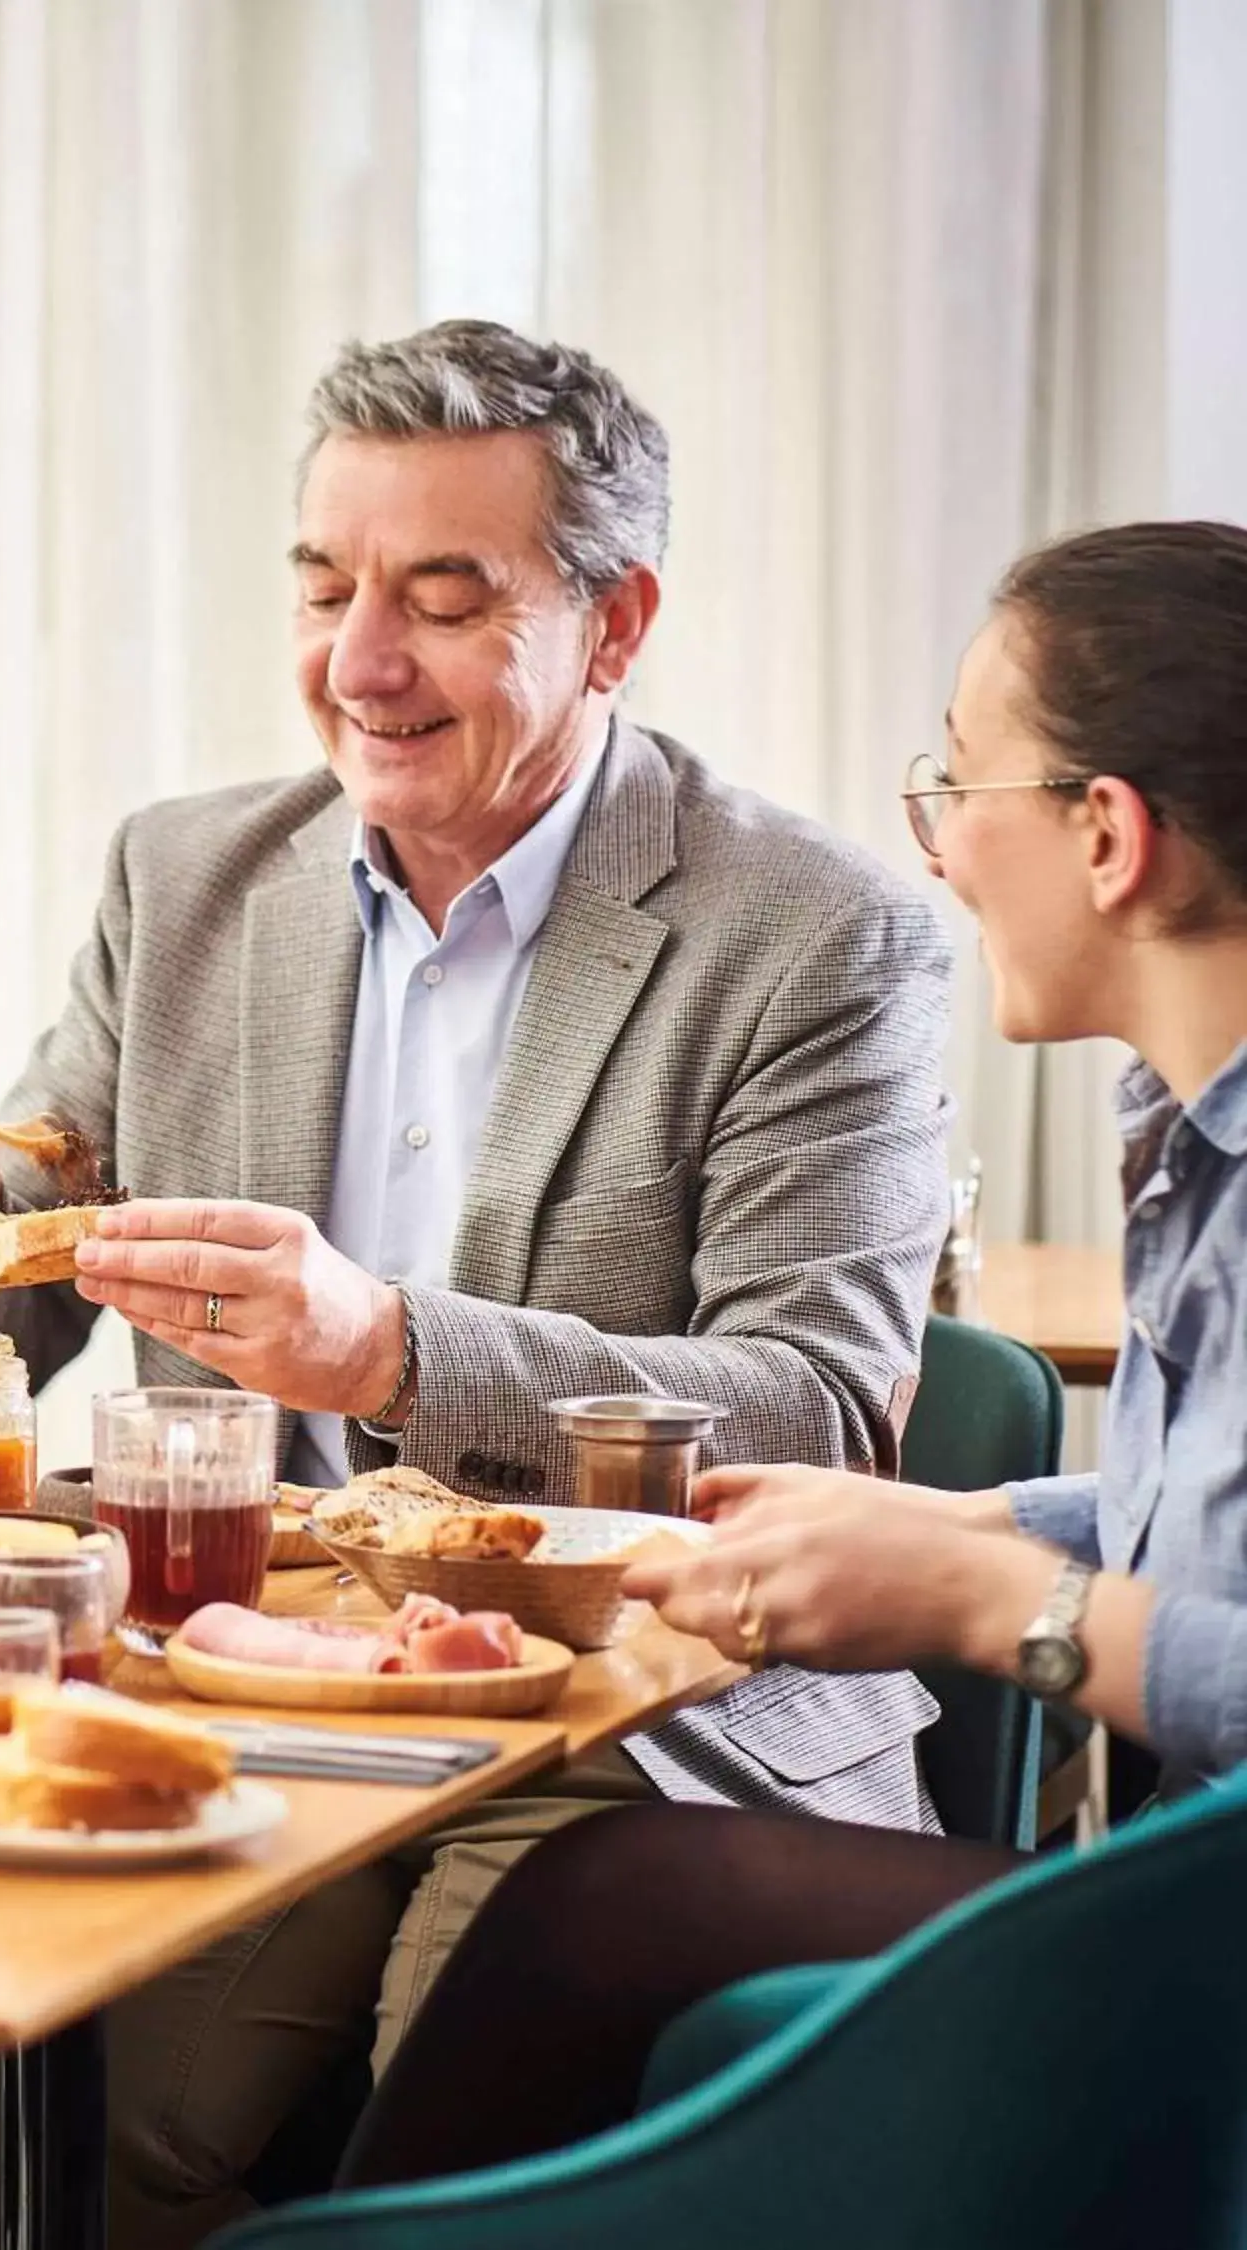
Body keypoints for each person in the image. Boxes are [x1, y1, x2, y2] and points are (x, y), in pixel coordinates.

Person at [0, 321, 954, 2247]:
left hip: (627, 1707)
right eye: (328, 587)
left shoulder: (816, 931)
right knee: (38, 2130)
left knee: (446, 2130)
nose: (360, 663)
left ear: (615, 623)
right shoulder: (182, 879)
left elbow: (820, 1406)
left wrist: (400, 1352)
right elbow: (29, 1281)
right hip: (238, 1673)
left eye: (444, 598)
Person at [338, 517, 1247, 2188]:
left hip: (1208, 1924)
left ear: (1109, 835)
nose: (939, 850)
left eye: (960, 786)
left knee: (614, 1907)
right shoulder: (1192, 1139)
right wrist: (962, 1531)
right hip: (1190, 1882)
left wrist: (987, 1604)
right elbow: (1214, 1519)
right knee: (605, 1909)